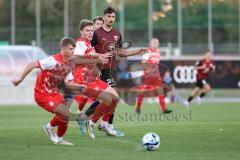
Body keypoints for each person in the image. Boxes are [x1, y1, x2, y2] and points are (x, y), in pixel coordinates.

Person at [11, 37, 108, 145]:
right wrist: (20, 79)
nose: (73, 52)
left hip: (54, 94)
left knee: (65, 116)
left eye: (73, 49)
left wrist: (80, 87)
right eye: (71, 49)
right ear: (63, 49)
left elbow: (69, 84)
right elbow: (32, 64)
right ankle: (50, 128)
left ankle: (58, 138)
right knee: (65, 114)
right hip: (42, 94)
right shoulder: (52, 61)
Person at [85, 7, 147, 137]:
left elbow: (120, 52)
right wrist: (93, 66)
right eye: (109, 16)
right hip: (102, 70)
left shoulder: (117, 34)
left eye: (113, 17)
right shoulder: (96, 34)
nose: (111, 19)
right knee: (114, 98)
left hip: (113, 69)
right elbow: (88, 51)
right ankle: (97, 123)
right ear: (104, 17)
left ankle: (97, 122)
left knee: (111, 100)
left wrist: (137, 52)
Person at [69, 19, 119, 139]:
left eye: (91, 30)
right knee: (107, 99)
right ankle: (92, 123)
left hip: (92, 79)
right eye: (87, 30)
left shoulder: (89, 44)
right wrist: (98, 59)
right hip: (83, 82)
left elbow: (91, 59)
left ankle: (91, 122)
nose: (90, 33)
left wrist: (100, 59)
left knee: (115, 99)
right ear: (81, 32)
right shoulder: (80, 44)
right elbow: (75, 60)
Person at [135, 38, 173, 114]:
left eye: (157, 42)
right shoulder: (148, 51)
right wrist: (148, 69)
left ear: (158, 44)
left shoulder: (158, 52)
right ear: (151, 43)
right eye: (154, 42)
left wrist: (160, 72)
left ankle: (164, 109)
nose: (155, 43)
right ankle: (138, 108)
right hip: (148, 76)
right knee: (142, 92)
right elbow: (143, 62)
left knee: (161, 91)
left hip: (156, 76)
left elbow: (156, 65)